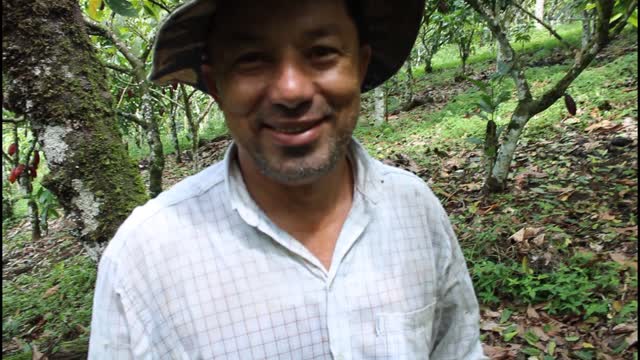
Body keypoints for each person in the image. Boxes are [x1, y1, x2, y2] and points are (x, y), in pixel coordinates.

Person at [89, 0, 488, 358]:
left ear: (360, 66)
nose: (291, 91)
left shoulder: (414, 208)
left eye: (321, 53)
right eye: (251, 59)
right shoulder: (143, 258)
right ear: (216, 86)